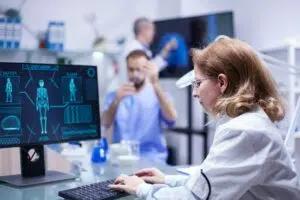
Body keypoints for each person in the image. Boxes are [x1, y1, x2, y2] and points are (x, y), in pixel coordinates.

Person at [108, 37, 300, 199]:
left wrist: (141, 189)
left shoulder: (243, 130)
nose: (194, 93)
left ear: (222, 82)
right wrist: (167, 179)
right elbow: (213, 180)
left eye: (198, 83)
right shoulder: (247, 122)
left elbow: (196, 197)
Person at [102, 50, 177, 161]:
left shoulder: (158, 95)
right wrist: (116, 101)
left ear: (146, 69)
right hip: (121, 159)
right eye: (131, 69)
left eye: (139, 69)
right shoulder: (116, 95)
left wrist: (155, 83)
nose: (135, 74)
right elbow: (105, 123)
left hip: (152, 159)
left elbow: (172, 119)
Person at [119, 17, 177, 82]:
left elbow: (150, 67)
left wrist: (166, 50)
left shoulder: (139, 47)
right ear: (145, 30)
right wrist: (166, 50)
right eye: (152, 30)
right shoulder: (134, 49)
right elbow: (148, 72)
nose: (154, 33)